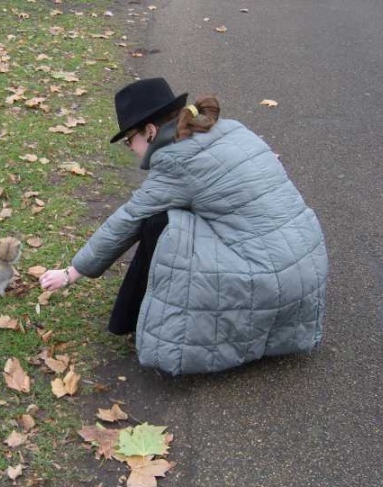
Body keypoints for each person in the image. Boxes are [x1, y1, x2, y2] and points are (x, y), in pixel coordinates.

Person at [40, 77, 328, 376]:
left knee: (157, 222)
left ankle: (128, 319)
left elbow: (127, 220)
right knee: (172, 210)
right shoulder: (228, 129)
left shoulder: (176, 162)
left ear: (150, 131)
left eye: (129, 140)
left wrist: (72, 272)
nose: (130, 148)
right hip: (307, 267)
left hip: (269, 279)